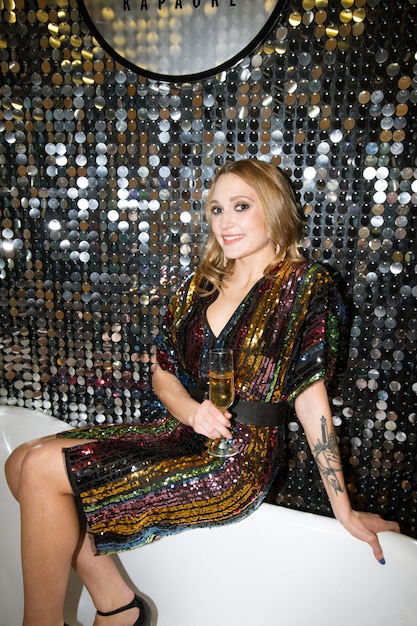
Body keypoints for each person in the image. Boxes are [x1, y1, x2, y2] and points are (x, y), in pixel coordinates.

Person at [5, 158, 400, 626]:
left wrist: (345, 509)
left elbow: (310, 399)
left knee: (43, 469)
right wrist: (192, 413)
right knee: (19, 462)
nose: (225, 222)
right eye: (216, 210)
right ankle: (117, 607)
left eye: (240, 206)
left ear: (273, 209)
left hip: (237, 459)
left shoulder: (305, 285)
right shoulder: (199, 287)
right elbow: (163, 376)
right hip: (181, 432)